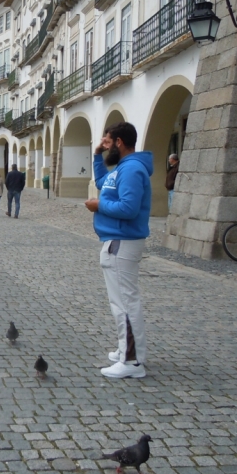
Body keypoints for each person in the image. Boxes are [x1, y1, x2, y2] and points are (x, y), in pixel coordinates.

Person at [84, 121, 153, 379]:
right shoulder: (122, 168)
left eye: (108, 142)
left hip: (123, 241)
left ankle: (132, 361)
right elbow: (103, 180)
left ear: (120, 143)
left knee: (125, 302)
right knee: (121, 300)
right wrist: (96, 155)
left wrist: (98, 206)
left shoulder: (132, 170)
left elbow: (128, 208)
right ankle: (128, 350)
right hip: (117, 240)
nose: (106, 145)